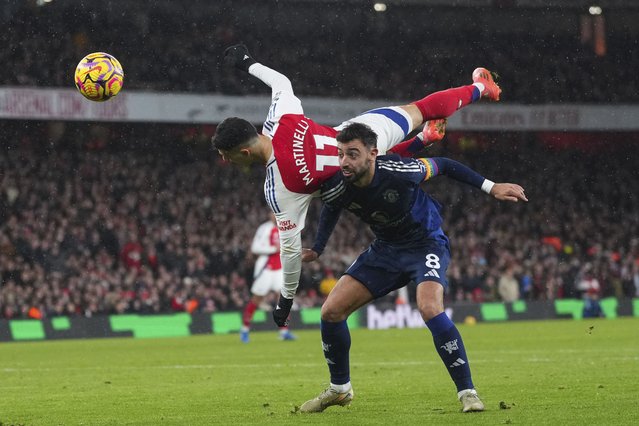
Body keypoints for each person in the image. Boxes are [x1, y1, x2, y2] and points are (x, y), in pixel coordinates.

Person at [213, 44, 502, 327]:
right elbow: (281, 82)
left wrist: (285, 301)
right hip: (361, 134)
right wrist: (248, 62)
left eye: (227, 156)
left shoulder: (279, 188)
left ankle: (423, 140)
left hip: (354, 179)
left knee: (367, 173)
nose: (226, 162)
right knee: (421, 109)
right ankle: (479, 89)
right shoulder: (280, 118)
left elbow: (290, 253)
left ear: (244, 153)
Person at [298, 122, 527, 413]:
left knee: (430, 307)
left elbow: (442, 164)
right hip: (385, 251)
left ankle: (467, 392)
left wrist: (490, 186)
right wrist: (318, 248)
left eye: (352, 154)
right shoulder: (338, 183)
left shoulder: (398, 171)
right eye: (341, 154)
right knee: (330, 312)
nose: (344, 161)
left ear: (372, 154)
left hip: (425, 245)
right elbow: (331, 205)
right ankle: (339, 389)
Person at [240, 212, 296, 343]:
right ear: (270, 215)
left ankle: (284, 331)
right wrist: (273, 248)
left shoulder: (285, 227)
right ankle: (244, 329)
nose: (275, 216)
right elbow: (255, 248)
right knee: (256, 299)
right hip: (266, 269)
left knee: (284, 299)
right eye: (273, 213)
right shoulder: (264, 228)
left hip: (280, 269)